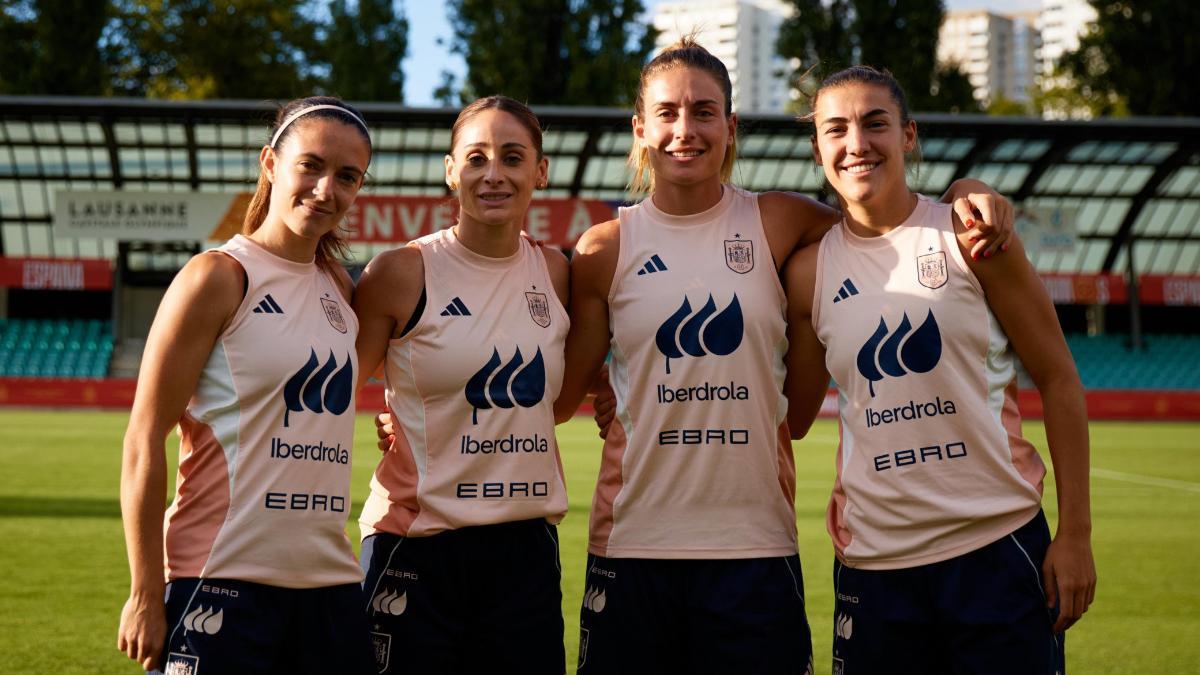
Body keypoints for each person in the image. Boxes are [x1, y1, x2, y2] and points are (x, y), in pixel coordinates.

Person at [552, 39, 1014, 675]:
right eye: (667, 113)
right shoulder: (604, 248)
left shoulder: (781, 222)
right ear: (640, 129)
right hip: (631, 543)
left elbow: (882, 217)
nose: (685, 130)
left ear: (731, 126)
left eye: (704, 111)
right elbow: (559, 391)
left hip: (756, 549)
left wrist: (967, 189)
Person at [781, 66, 1096, 673]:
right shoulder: (807, 274)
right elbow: (793, 417)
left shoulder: (970, 232)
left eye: (876, 124)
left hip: (995, 548)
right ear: (818, 146)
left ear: (908, 135)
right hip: (874, 567)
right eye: (836, 129)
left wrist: (1076, 534)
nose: (856, 144)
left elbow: (1059, 379)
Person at [117, 97, 375, 674]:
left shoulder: (340, 287)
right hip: (220, 579)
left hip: (330, 584)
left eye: (347, 177)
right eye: (310, 166)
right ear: (270, 164)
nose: (325, 189)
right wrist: (144, 592)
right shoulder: (218, 276)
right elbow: (143, 438)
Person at [352, 95, 570, 674]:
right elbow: (332, 388)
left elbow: (576, 386)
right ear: (451, 170)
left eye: (512, 157)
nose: (493, 173)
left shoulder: (555, 273)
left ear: (539, 172)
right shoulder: (400, 273)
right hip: (415, 545)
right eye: (475, 158)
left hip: (523, 549)